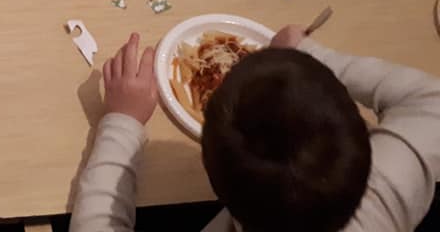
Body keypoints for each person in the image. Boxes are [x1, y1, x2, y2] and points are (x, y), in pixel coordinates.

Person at [69, 28, 440, 232]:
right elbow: (432, 101)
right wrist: (310, 55)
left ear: (211, 175)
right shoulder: (388, 189)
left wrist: (123, 121)